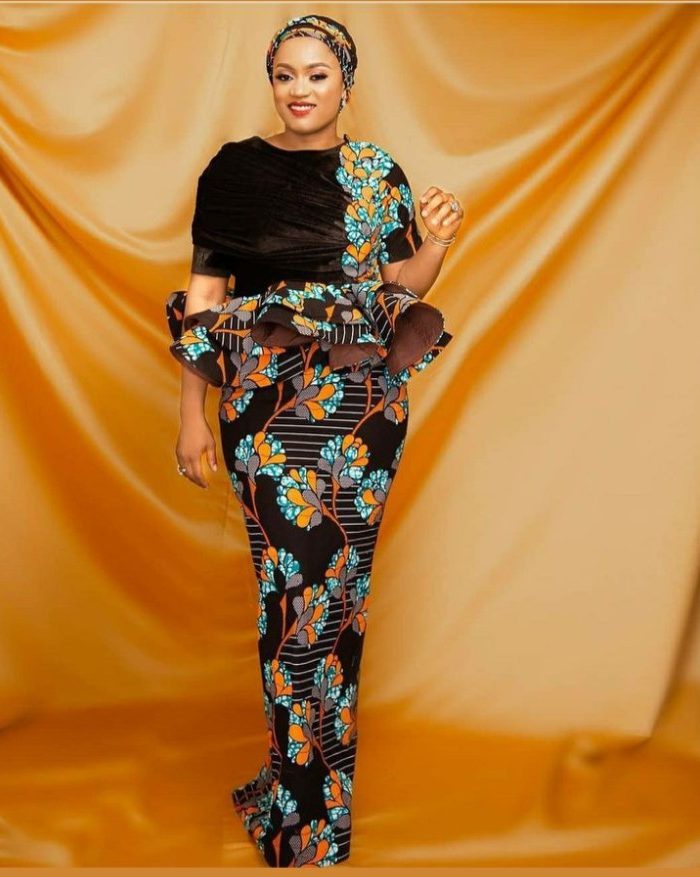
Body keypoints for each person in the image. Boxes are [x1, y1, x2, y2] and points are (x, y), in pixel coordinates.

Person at [165, 13, 463, 868]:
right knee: (289, 600)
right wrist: (192, 412)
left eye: (317, 74)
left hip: (362, 412)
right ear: (272, 81)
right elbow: (205, 302)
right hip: (265, 405)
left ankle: (308, 806)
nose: (299, 90)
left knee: (337, 605)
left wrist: (438, 240)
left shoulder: (376, 172)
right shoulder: (233, 170)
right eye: (285, 74)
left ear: (346, 84)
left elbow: (399, 283)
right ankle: (300, 820)